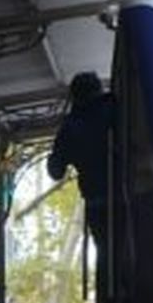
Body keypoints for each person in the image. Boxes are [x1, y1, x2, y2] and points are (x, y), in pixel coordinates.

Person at [46, 72, 117, 248]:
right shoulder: (116, 107)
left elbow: (56, 171)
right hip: (130, 193)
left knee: (106, 254)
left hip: (97, 201)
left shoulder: (71, 126)